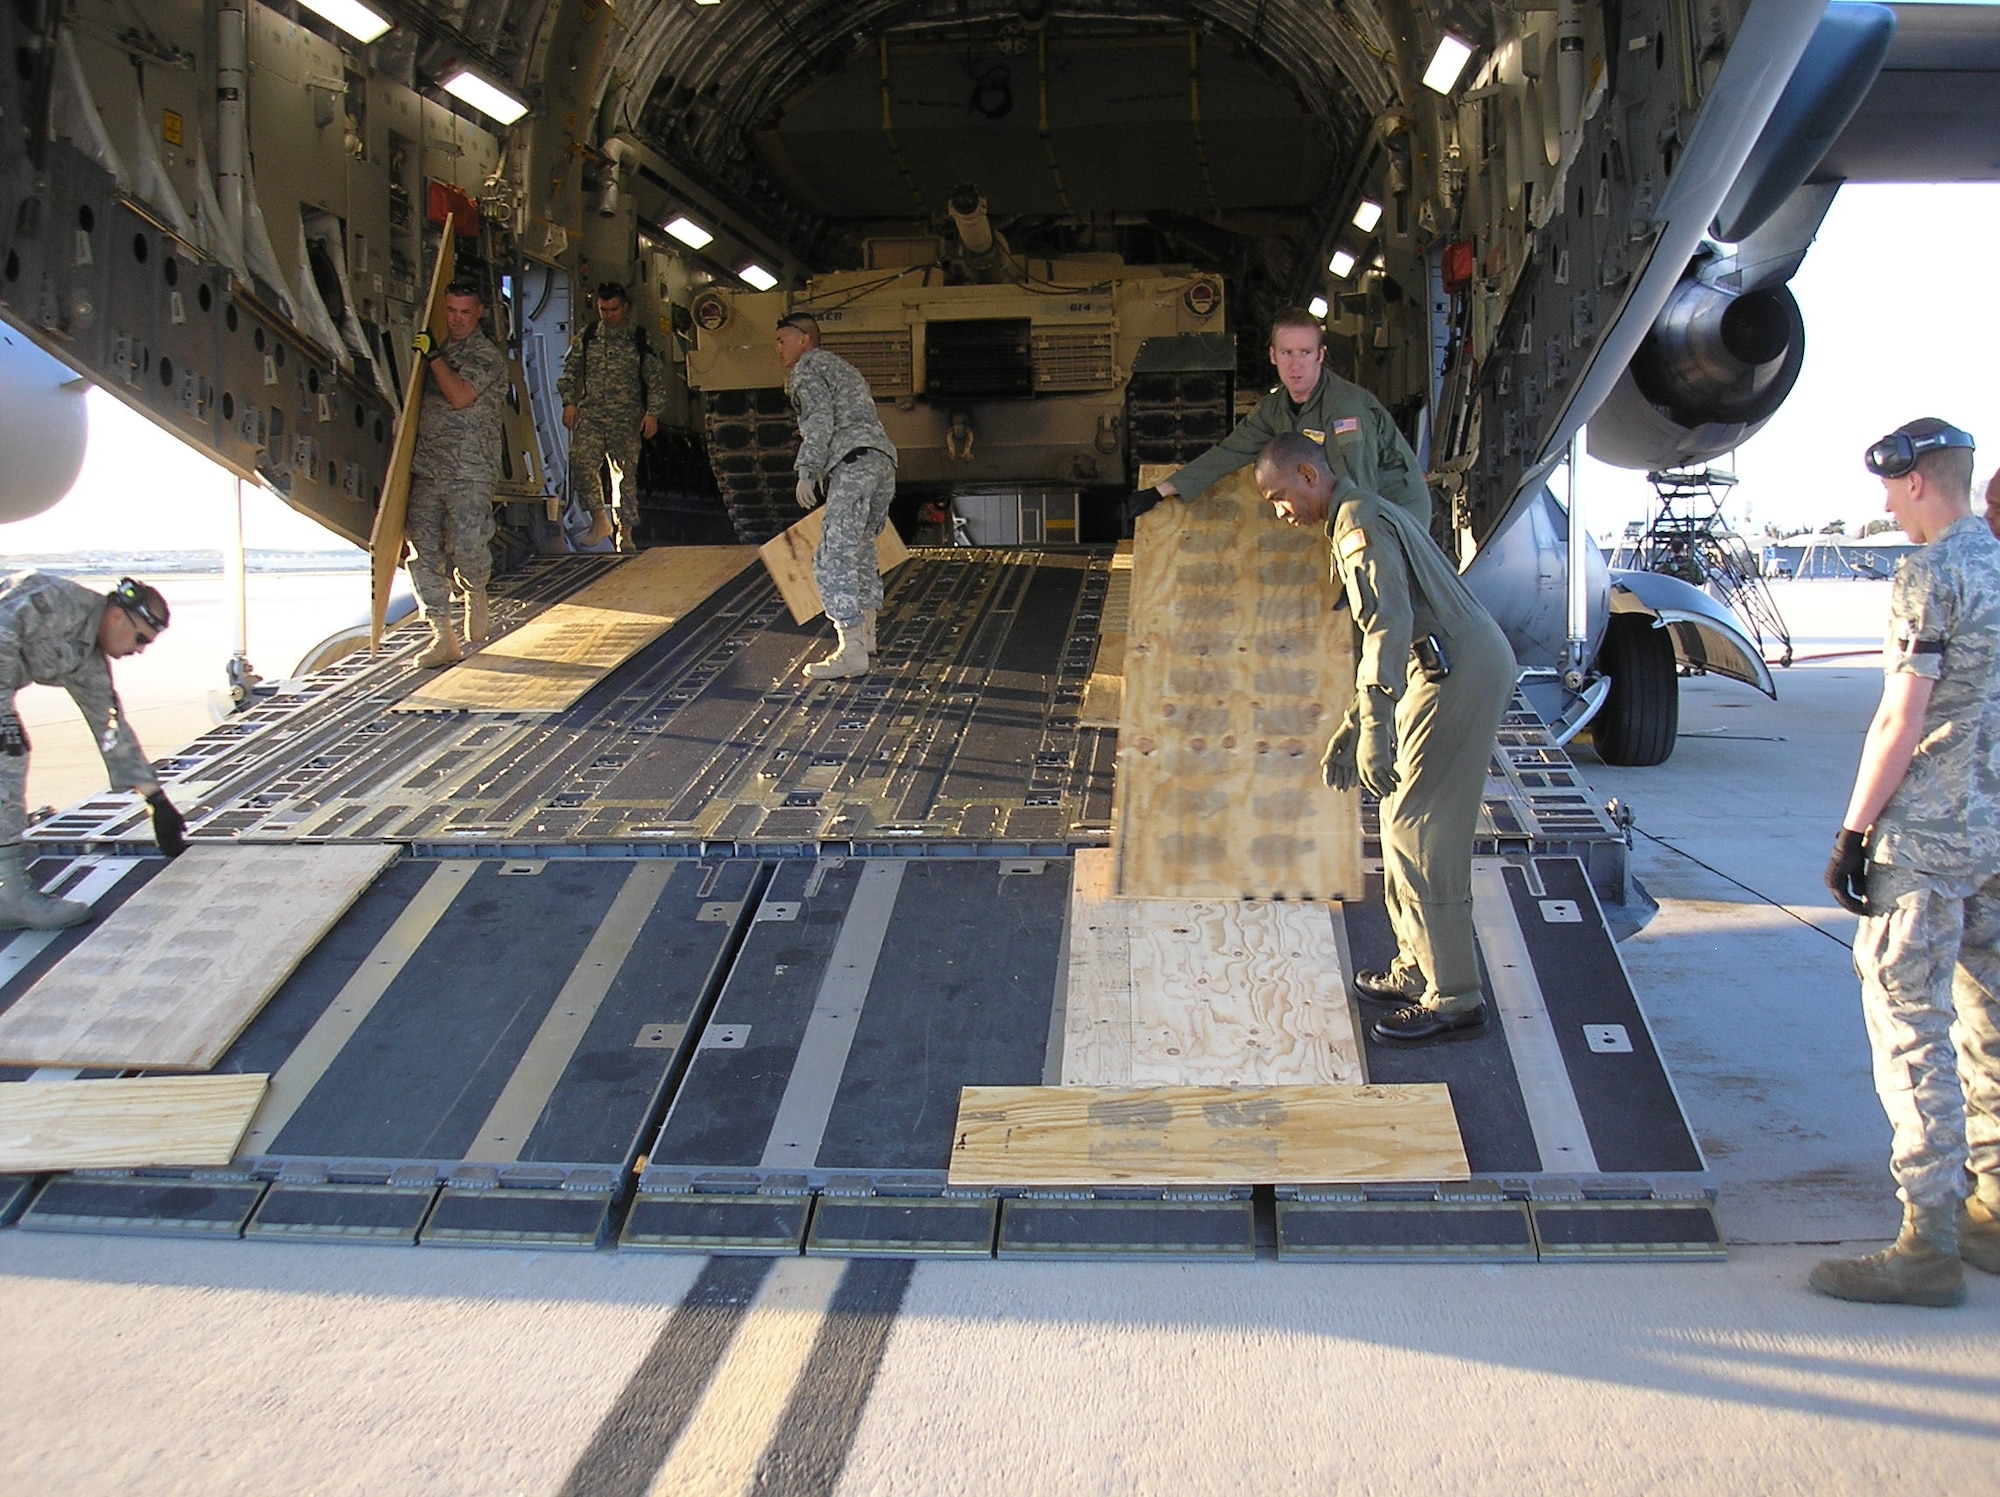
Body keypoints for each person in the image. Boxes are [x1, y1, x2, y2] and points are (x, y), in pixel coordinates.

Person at [1816, 417, 2000, 1308]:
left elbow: (1901, 716)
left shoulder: (1929, 574)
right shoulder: (1999, 564)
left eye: (1892, 487)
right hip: (1994, 835)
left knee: (1911, 1025)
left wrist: (1854, 833)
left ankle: (1927, 1240)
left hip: (1925, 842)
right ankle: (1993, 1212)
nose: (1886, 503)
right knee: (1989, 1023)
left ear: (1921, 480)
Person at [1254, 432, 1515, 1043]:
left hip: (1457, 670)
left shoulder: (1356, 523)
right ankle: (1415, 967)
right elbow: (1392, 627)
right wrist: (1355, 719)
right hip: (1441, 665)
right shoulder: (1358, 512)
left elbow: (1388, 622)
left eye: (1278, 495)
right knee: (1400, 817)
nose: (1279, 510)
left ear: (1308, 475)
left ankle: (1453, 995)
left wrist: (1374, 723)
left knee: (1423, 828)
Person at [1128, 307, 1430, 526]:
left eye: (1305, 353)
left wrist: (1357, 562)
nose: (1296, 365)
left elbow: (1359, 487)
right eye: (1287, 353)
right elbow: (1230, 452)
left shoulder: (1344, 409)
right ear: (1273, 356)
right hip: (1357, 511)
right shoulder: (1275, 408)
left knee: (1386, 598)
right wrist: (1160, 490)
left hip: (1394, 508)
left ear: (1320, 355)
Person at [0, 574, 186, 928]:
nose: (140, 649)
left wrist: (156, 801)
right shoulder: (60, 601)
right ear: (117, 616)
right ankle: (11, 896)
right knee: (7, 757)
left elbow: (111, 728)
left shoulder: (87, 658)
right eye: (140, 637)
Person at [774, 312, 899, 680]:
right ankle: (867, 637)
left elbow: (820, 421)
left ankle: (851, 650)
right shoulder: (843, 369)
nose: (778, 348)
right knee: (860, 548)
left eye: (783, 340)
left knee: (831, 556)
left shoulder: (807, 369)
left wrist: (807, 471)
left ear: (805, 340)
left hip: (851, 462)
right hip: (881, 461)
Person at [408, 279, 507, 668]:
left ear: (479, 312)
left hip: (470, 469)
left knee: (467, 547)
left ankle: (476, 591)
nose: (458, 319)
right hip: (429, 467)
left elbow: (460, 395)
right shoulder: (438, 351)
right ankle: (441, 634)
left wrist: (434, 357)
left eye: (466, 312)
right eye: (451, 311)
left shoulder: (486, 356)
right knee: (423, 550)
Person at [559, 281, 668, 553]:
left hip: (626, 418)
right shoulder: (588, 336)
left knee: (624, 477)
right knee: (581, 461)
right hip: (593, 414)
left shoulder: (639, 339)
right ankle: (599, 520)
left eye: (613, 309)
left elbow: (655, 380)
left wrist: (652, 413)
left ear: (625, 307)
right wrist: (569, 402)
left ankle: (625, 533)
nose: (608, 315)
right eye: (602, 309)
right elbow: (570, 372)